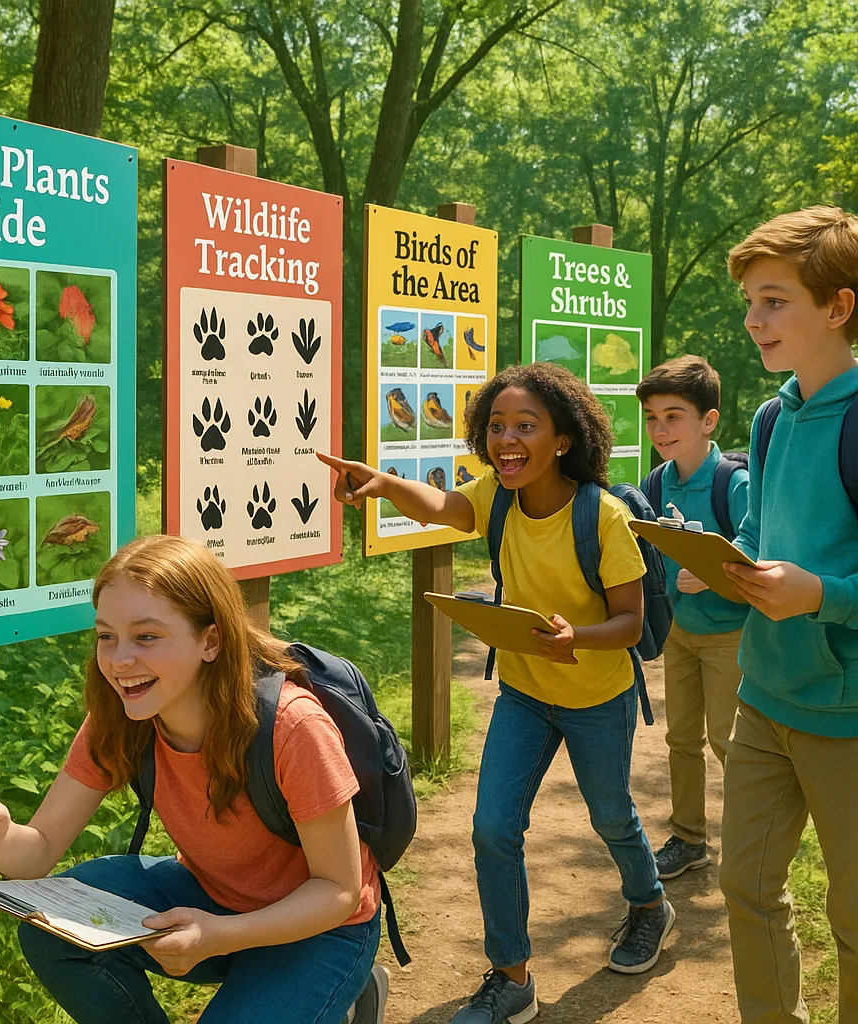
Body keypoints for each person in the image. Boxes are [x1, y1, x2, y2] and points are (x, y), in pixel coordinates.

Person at [319, 361, 673, 1024]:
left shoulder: (606, 517)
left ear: (563, 440)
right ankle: (511, 975)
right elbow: (447, 508)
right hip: (524, 694)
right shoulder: (497, 496)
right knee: (491, 828)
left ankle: (650, 902)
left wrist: (579, 638)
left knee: (609, 815)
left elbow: (629, 621)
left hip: (598, 695)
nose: (506, 437)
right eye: (497, 426)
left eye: (526, 426)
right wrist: (384, 482)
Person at [0, 534, 389, 1024]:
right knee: (48, 927)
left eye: (146, 637)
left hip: (321, 928)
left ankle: (343, 992)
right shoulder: (121, 717)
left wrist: (219, 934)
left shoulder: (292, 727)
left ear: (210, 640)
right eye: (106, 635)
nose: (118, 660)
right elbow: (41, 847)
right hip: (210, 898)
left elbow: (339, 890)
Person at [718, 205, 858, 1024]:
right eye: (750, 301)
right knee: (746, 887)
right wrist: (723, 562)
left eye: (774, 300)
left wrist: (822, 595)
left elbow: (825, 579)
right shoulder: (769, 418)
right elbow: (757, 531)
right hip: (762, 699)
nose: (752, 319)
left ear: (837, 307)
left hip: (846, 717)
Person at [637, 355, 750, 879]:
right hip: (680, 633)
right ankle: (689, 838)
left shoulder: (733, 484)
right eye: (653, 418)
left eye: (674, 416)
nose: (661, 430)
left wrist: (713, 572)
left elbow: (762, 556)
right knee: (681, 739)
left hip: (732, 635)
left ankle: (752, 845)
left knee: (732, 743)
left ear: (708, 421)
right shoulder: (655, 484)